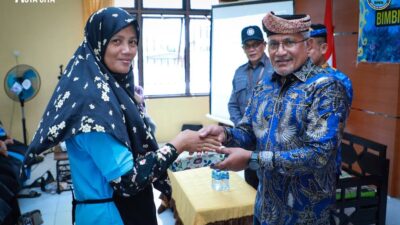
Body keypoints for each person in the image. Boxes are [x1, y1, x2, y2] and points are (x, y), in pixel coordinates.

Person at [27, 7, 220, 225]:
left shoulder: (110, 90)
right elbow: (127, 180)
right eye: (117, 41)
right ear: (98, 43)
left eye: (133, 42)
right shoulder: (92, 105)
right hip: (110, 215)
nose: (128, 50)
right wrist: (180, 143)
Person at [200, 12, 352, 225]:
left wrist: (252, 159)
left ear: (308, 45)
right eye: (273, 44)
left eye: (289, 42)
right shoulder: (264, 86)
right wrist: (225, 134)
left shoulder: (326, 87)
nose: (280, 52)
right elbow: (248, 132)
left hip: (305, 214)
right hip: (265, 208)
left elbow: (318, 155)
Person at [227, 25, 274, 190]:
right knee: (250, 185)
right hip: (247, 143)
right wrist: (241, 127)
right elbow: (232, 104)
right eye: (248, 45)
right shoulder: (239, 72)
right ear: (243, 48)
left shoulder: (276, 70)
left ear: (264, 45)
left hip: (269, 143)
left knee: (270, 186)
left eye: (256, 44)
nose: (252, 49)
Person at [309, 24, 353, 175]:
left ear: (323, 48)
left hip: (324, 162)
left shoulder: (338, 80)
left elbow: (339, 124)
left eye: (309, 46)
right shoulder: (296, 77)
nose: (304, 51)